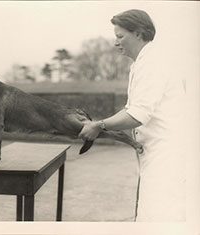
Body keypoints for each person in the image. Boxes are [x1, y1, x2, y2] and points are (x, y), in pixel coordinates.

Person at [79, 9, 186, 222]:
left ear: (138, 33)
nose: (116, 42)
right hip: (157, 152)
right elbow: (133, 110)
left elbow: (137, 115)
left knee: (158, 218)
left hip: (167, 155)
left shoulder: (153, 62)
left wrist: (98, 125)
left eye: (120, 36)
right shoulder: (143, 62)